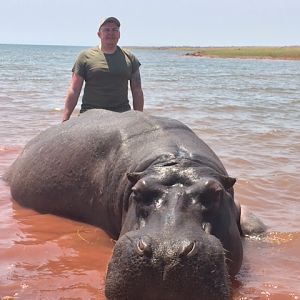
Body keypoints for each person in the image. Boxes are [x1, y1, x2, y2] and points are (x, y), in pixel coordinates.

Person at [62, 17, 144, 122]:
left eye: (115, 30)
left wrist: (140, 119)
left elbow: (137, 90)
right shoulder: (85, 56)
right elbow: (74, 90)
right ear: (99, 34)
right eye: (106, 30)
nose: (111, 33)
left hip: (122, 115)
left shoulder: (130, 57)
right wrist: (65, 119)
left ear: (119, 34)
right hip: (90, 115)